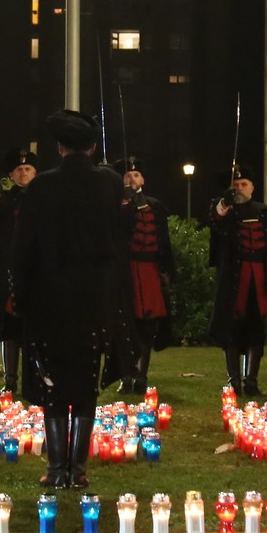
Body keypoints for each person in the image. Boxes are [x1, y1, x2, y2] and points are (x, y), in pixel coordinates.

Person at [11, 109, 127, 489]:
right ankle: (77, 470)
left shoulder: (41, 187)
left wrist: (22, 295)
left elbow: (23, 248)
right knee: (86, 379)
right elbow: (121, 238)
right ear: (93, 147)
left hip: (51, 297)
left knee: (53, 380)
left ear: (59, 147)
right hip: (95, 298)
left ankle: (57, 467)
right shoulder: (110, 183)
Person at [207, 163, 267, 397]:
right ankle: (234, 381)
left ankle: (251, 381)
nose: (240, 188)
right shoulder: (224, 208)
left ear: (253, 187)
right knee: (231, 328)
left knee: (256, 329)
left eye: (244, 184)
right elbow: (215, 220)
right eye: (236, 185)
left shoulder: (263, 212)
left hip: (259, 280)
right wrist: (225, 202)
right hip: (233, 279)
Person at [116, 157, 175, 395]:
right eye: (128, 176)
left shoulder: (155, 206)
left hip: (149, 272)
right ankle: (125, 375)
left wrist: (167, 271)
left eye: (136, 175)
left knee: (147, 326)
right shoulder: (115, 205)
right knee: (123, 326)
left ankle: (141, 375)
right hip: (126, 271)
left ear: (143, 179)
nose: (132, 179)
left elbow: (164, 241)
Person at [0, 147, 37, 397]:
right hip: (9, 269)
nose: (24, 173)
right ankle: (10, 380)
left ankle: (35, 378)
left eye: (28, 169)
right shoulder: (5, 199)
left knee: (35, 327)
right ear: (12, 175)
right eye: (19, 170)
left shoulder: (43, 197)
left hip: (36, 270)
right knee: (10, 327)